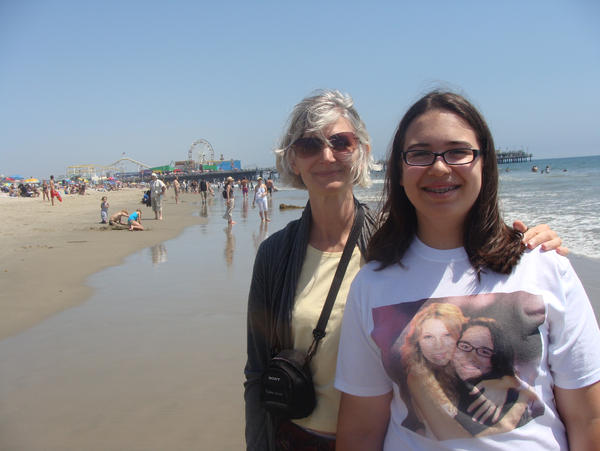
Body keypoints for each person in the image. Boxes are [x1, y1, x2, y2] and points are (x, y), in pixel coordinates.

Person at [244, 90, 564, 451]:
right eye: (309, 146)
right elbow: (257, 371)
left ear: (363, 151)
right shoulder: (275, 256)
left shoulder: (399, 241)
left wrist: (528, 244)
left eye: (340, 142)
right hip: (297, 438)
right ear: (293, 160)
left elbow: (460, 259)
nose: (327, 155)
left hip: (382, 438)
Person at [335, 91, 600, 450]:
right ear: (399, 170)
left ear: (484, 163)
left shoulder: (545, 266)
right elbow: (362, 430)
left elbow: (588, 418)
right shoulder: (372, 285)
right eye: (420, 153)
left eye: (458, 151)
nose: (439, 167)